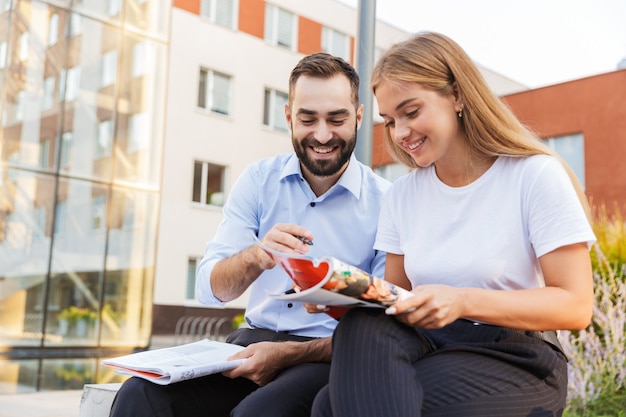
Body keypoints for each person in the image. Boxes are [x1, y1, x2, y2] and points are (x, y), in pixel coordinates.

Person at [311, 32, 596, 417]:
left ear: (458, 96)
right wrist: (340, 296)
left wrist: (462, 300)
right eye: (390, 120)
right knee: (361, 325)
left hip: (515, 355)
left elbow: (576, 305)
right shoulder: (402, 195)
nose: (400, 133)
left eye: (411, 113)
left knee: (331, 406)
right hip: (429, 343)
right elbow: (397, 298)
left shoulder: (534, 176)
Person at [108, 52, 391, 417]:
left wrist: (293, 349)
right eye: (308, 119)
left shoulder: (386, 202)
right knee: (139, 394)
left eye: (336, 119)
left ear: (359, 117)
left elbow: (386, 323)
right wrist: (256, 256)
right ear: (289, 117)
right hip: (251, 344)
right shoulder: (259, 181)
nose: (323, 135)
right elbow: (211, 290)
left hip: (329, 354)